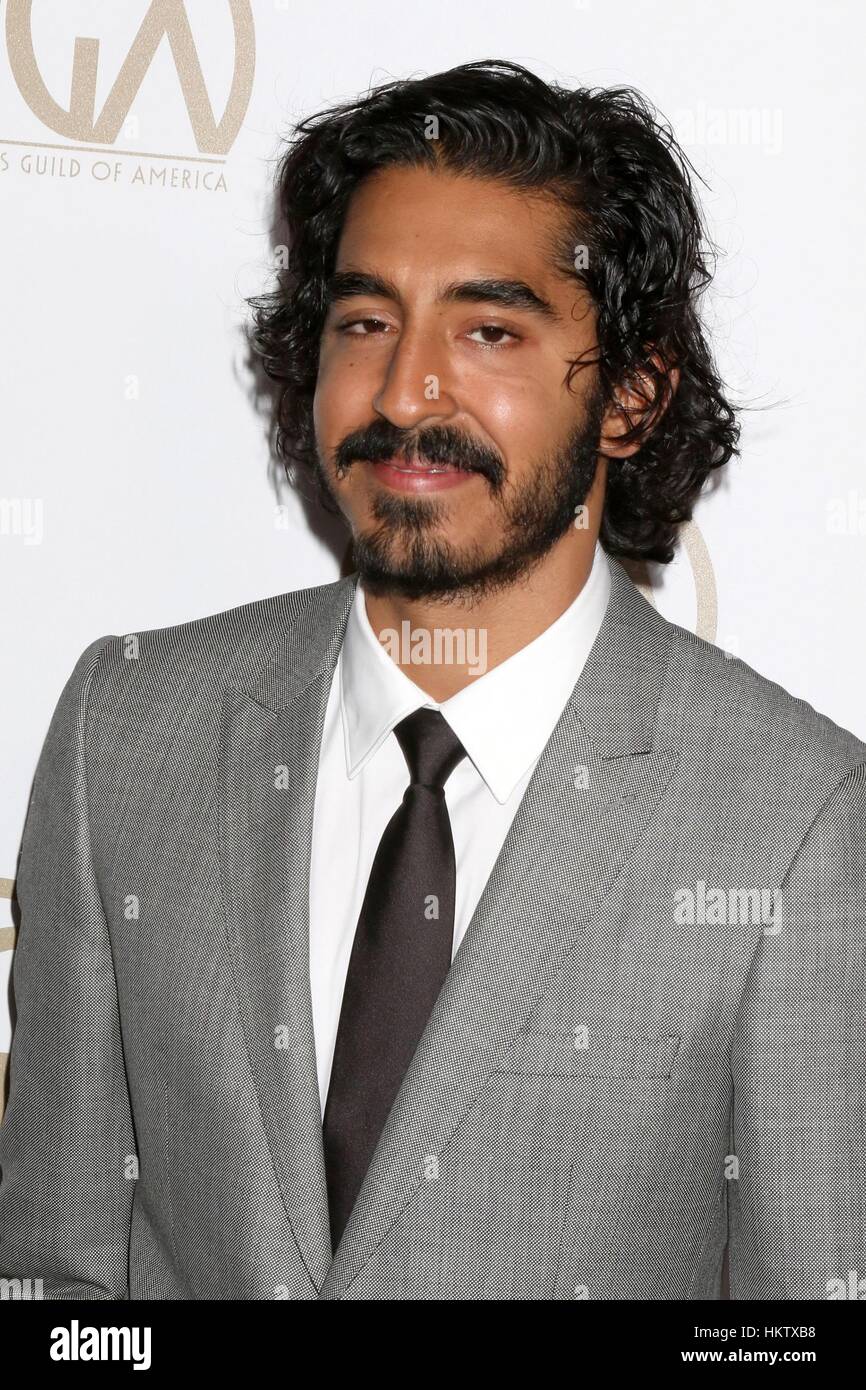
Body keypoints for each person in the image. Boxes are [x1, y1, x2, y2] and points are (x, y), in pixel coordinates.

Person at [1, 60, 863, 1301]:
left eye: (489, 330)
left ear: (630, 392)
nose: (405, 391)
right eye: (363, 323)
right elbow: (56, 1281)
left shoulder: (794, 821)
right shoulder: (127, 731)